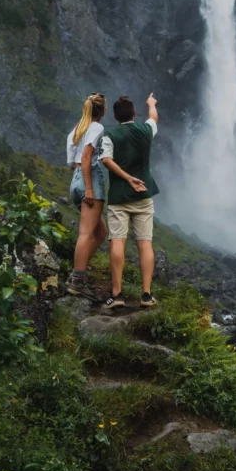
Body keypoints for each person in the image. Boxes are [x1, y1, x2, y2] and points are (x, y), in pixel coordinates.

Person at [99, 93, 159, 309]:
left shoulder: (110, 134)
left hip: (119, 197)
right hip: (143, 196)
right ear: (134, 114)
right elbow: (153, 117)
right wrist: (151, 103)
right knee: (145, 244)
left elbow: (106, 160)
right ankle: (146, 294)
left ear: (115, 116)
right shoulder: (146, 130)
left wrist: (126, 178)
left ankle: (117, 295)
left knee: (117, 241)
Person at [65, 93, 108, 300]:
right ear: (103, 111)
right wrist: (90, 188)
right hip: (89, 178)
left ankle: (77, 272)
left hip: (76, 180)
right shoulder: (96, 128)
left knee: (100, 231)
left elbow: (73, 163)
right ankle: (78, 282)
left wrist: (82, 184)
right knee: (86, 234)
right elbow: (86, 157)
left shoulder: (76, 130)